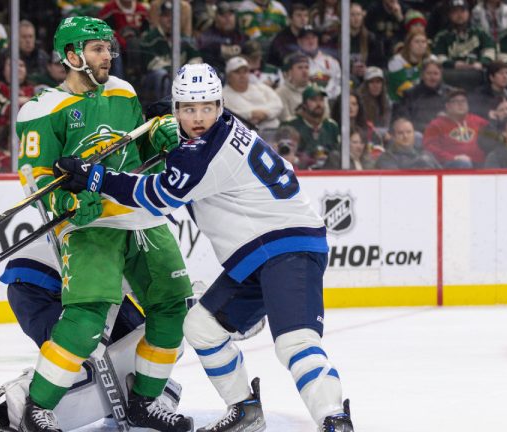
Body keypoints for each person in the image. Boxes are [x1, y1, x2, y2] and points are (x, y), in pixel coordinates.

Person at [53, 63, 354, 432]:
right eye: (189, 109)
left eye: (207, 108)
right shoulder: (217, 132)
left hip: (287, 245)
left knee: (294, 342)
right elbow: (183, 152)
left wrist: (96, 177)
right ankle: (244, 409)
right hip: (254, 255)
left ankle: (335, 419)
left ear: (221, 105)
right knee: (201, 327)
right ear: (177, 109)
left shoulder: (204, 154)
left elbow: (157, 197)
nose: (199, 118)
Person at [12, 16, 193, 432]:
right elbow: (35, 177)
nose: (107, 55)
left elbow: (137, 146)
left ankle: (144, 402)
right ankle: (38, 407)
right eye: (96, 49)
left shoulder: (123, 92)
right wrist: (69, 201)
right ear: (72, 56)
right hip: (89, 225)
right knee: (86, 320)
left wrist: (163, 135)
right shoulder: (42, 109)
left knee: (172, 307)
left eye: (108, 48)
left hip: (140, 214)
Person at [423, 88, 488, 168]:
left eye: (463, 101)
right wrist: (453, 158)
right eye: (456, 101)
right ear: (447, 106)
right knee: (463, 164)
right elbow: (429, 148)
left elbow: (493, 136)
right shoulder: (436, 125)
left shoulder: (478, 121)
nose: (461, 104)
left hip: (479, 164)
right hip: (452, 165)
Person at [222, 56, 283, 130]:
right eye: (237, 72)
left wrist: (265, 114)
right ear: (228, 76)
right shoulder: (222, 95)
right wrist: (250, 114)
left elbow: (278, 105)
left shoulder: (261, 87)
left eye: (245, 71)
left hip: (274, 130)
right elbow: (229, 116)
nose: (242, 76)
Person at [432, 0, 495, 70]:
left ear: (469, 13)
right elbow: (438, 57)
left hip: (478, 73)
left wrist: (481, 63)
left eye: (462, 11)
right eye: (455, 12)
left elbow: (490, 51)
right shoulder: (442, 36)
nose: (459, 15)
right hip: (451, 74)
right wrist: (454, 64)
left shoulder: (480, 33)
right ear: (449, 15)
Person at [375, 117, 441, 169]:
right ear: (393, 136)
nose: (405, 136)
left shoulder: (426, 154)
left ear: (414, 134)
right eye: (400, 133)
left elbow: (442, 176)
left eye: (409, 132)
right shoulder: (386, 158)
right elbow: (395, 182)